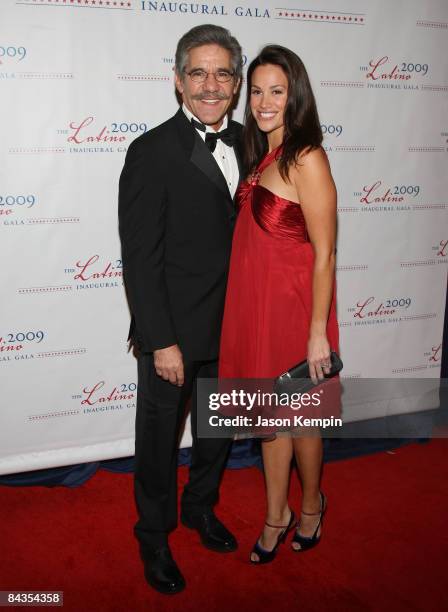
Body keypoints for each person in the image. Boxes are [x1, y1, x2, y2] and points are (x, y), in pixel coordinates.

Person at [118, 24, 243, 594]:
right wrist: (159, 337)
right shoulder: (151, 151)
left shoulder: (254, 143)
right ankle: (154, 535)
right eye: (198, 72)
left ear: (236, 83)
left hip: (237, 323)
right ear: (177, 81)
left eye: (222, 72)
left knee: (219, 431)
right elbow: (141, 257)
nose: (210, 84)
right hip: (174, 327)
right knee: (158, 437)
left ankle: (200, 508)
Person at [219, 45, 340, 563]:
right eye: (258, 91)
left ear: (296, 97)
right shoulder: (263, 157)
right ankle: (278, 515)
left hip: (295, 314)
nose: (264, 101)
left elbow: (326, 252)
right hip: (257, 310)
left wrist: (317, 331)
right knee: (271, 421)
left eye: (277, 91)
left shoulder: (307, 157)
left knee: (304, 419)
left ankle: (310, 506)